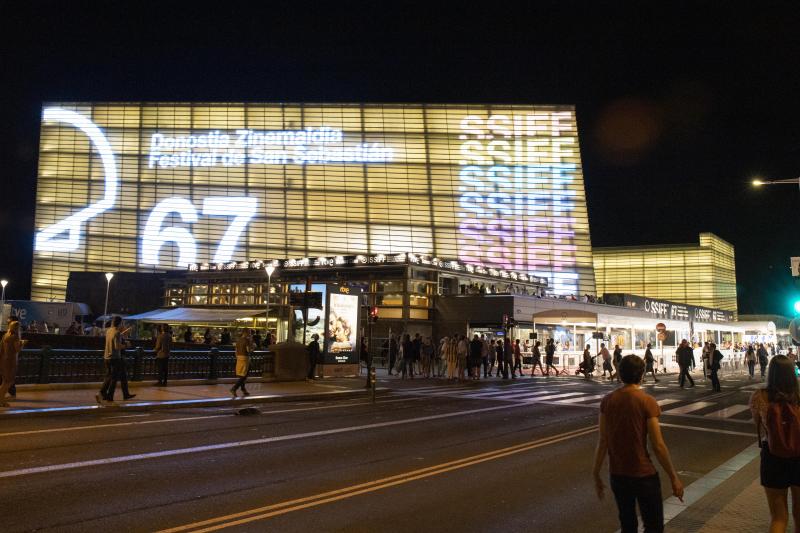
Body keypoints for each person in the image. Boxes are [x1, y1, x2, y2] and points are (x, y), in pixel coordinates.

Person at [593, 354, 684, 533]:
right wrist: (673, 477)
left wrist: (596, 474)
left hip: (617, 475)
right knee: (653, 526)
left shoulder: (607, 401)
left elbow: (602, 441)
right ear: (641, 374)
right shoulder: (646, 401)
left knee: (628, 524)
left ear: (620, 373)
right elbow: (657, 445)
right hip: (643, 475)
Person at [750, 355, 800, 532]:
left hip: (773, 456)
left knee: (778, 518)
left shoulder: (759, 396)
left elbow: (760, 424)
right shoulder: (799, 395)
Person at [97, 316, 135, 403]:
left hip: (106, 357)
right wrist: (126, 345)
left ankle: (105, 394)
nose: (123, 324)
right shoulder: (117, 332)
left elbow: (114, 339)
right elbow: (117, 346)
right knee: (114, 378)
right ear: (120, 323)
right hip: (115, 358)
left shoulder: (109, 331)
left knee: (109, 376)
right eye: (122, 323)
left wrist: (122, 335)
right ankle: (108, 395)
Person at [0, 321, 25, 406]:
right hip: (11, 361)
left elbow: (1, 349)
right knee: (8, 382)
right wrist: (22, 344)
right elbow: (17, 349)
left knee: (5, 381)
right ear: (17, 328)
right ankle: (1, 400)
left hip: (3, 361)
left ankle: (1, 399)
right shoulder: (15, 337)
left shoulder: (5, 336)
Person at [231, 329, 254, 396]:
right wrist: (253, 348)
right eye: (249, 333)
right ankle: (234, 388)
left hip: (239, 358)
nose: (250, 334)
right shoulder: (246, 340)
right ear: (245, 333)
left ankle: (243, 389)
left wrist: (237, 357)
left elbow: (236, 350)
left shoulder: (238, 340)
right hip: (245, 358)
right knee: (244, 375)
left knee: (242, 374)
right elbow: (248, 350)